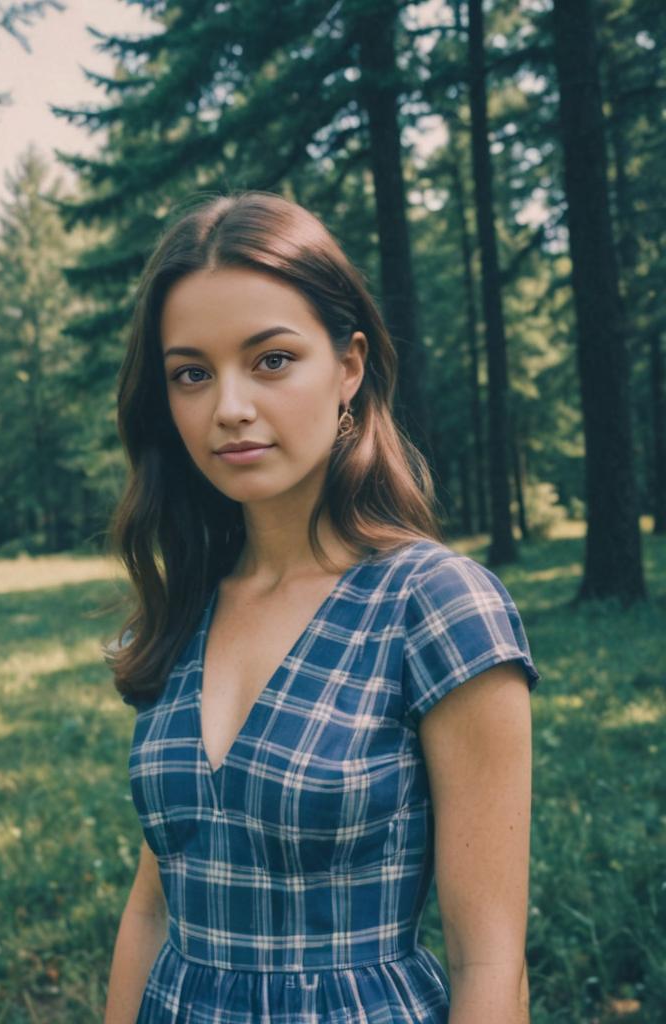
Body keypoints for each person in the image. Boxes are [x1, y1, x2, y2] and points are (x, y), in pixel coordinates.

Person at [102, 191, 540, 1024]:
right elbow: (153, 909)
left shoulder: (437, 608)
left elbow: (489, 964)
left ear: (349, 367)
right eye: (191, 373)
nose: (228, 406)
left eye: (270, 360)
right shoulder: (185, 603)